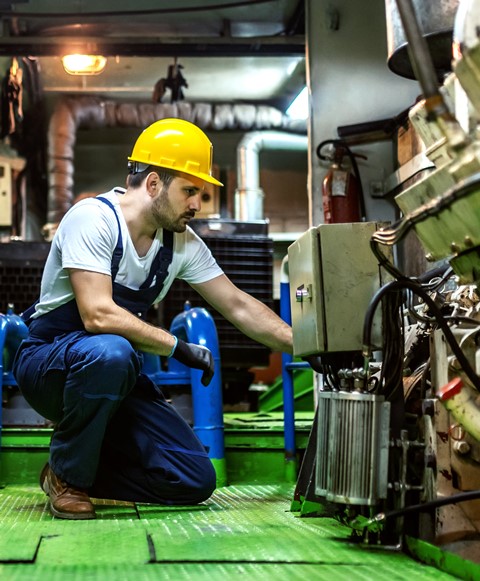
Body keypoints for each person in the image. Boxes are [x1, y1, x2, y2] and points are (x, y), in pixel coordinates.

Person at [13, 118, 293, 520]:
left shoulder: (180, 244)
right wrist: (178, 347)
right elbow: (97, 314)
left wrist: (304, 344)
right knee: (111, 351)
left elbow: (238, 305)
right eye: (190, 191)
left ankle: (70, 468)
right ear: (154, 183)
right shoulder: (93, 219)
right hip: (49, 365)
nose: (197, 204)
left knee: (194, 479)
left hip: (114, 374)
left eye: (200, 193)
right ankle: (70, 479)